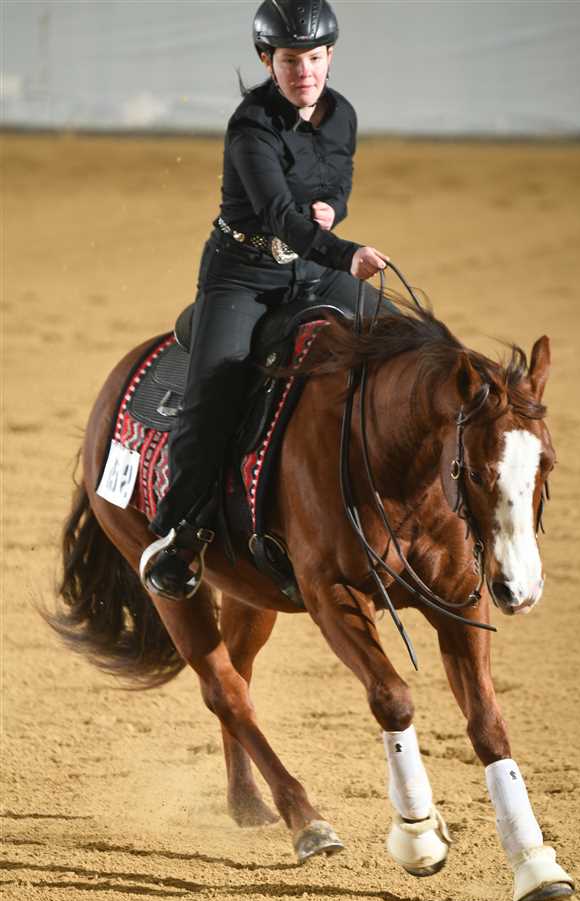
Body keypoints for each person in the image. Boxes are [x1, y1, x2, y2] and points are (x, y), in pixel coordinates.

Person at [141, 0, 391, 601]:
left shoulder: (342, 114)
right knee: (215, 387)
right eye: (289, 61)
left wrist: (334, 210)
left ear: (329, 56)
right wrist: (344, 252)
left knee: (398, 341)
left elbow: (339, 182)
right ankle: (179, 533)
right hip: (242, 274)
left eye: (314, 58)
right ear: (267, 62)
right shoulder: (250, 125)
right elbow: (279, 215)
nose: (304, 72)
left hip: (312, 268)